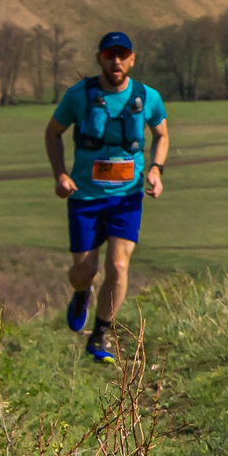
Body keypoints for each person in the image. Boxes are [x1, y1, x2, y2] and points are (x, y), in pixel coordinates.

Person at [44, 32, 168, 364]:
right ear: (99, 58)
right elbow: (53, 132)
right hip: (85, 198)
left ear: (132, 59)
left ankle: (100, 335)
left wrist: (156, 170)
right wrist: (60, 174)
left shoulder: (148, 97)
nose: (116, 61)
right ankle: (81, 293)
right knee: (84, 271)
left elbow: (162, 134)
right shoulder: (79, 96)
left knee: (118, 264)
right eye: (110, 55)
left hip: (127, 198)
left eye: (122, 55)